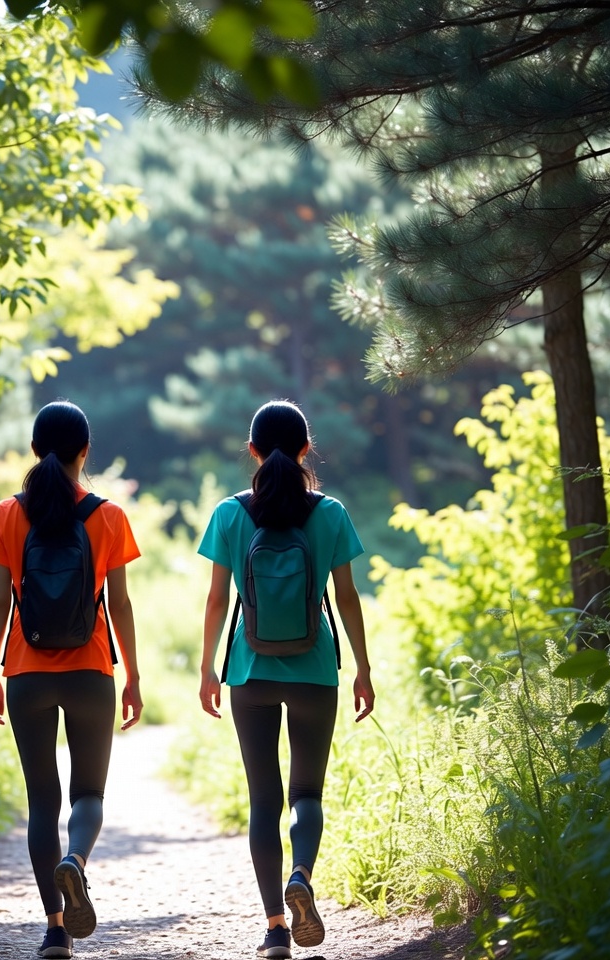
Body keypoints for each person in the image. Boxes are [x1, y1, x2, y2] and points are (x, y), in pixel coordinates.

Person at [197, 400, 374, 960]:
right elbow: (346, 598)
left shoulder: (229, 513)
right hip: (316, 668)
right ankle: (301, 873)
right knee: (306, 793)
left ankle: (276, 927)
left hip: (249, 670)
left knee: (262, 799)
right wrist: (363, 668)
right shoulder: (330, 512)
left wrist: (207, 668)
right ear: (305, 449)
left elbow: (217, 597)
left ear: (251, 451)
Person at [0, 401, 143, 960]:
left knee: (41, 802)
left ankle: (55, 930)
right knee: (88, 794)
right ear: (85, 452)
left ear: (33, 451)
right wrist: (134, 677)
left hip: (26, 671)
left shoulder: (7, 514)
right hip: (91, 668)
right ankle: (76, 860)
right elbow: (118, 604)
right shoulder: (109, 516)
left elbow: (1, 600)